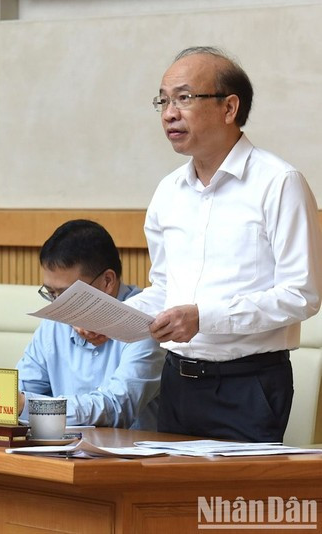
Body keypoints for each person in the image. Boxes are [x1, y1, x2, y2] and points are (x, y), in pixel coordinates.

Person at [124, 46, 322, 442]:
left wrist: (204, 318)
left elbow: (302, 294)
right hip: (177, 382)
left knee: (230, 504)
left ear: (229, 107)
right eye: (163, 100)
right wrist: (110, 315)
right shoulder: (168, 192)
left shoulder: (279, 182)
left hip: (249, 385)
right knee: (171, 503)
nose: (168, 113)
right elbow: (165, 289)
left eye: (184, 97)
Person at [0, 220, 163, 430]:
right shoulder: (56, 323)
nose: (58, 306)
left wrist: (25, 406)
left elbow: (115, 408)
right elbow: (21, 389)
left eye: (66, 294)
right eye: (51, 293)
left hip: (129, 465)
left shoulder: (145, 324)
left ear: (108, 281)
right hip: (58, 452)